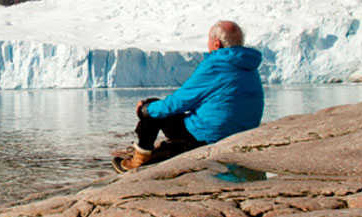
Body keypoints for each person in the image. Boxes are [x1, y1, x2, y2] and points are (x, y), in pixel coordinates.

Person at [113, 20, 264, 173]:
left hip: (208, 137)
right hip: (240, 135)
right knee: (162, 111)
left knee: (153, 108)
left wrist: (144, 110)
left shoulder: (214, 65)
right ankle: (165, 148)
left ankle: (138, 161)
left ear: (216, 44)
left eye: (209, 40)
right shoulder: (249, 66)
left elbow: (178, 103)